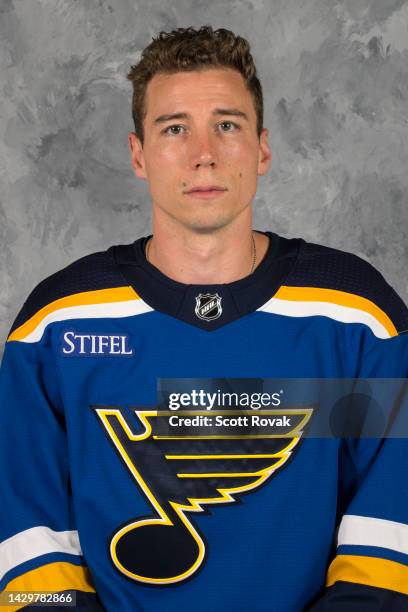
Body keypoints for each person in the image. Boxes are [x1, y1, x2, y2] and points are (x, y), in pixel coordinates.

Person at [0, 25, 407, 612]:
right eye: (173, 129)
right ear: (139, 155)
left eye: (227, 124)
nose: (203, 154)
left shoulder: (357, 317)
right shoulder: (56, 325)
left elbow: (389, 530)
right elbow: (29, 543)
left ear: (262, 148)